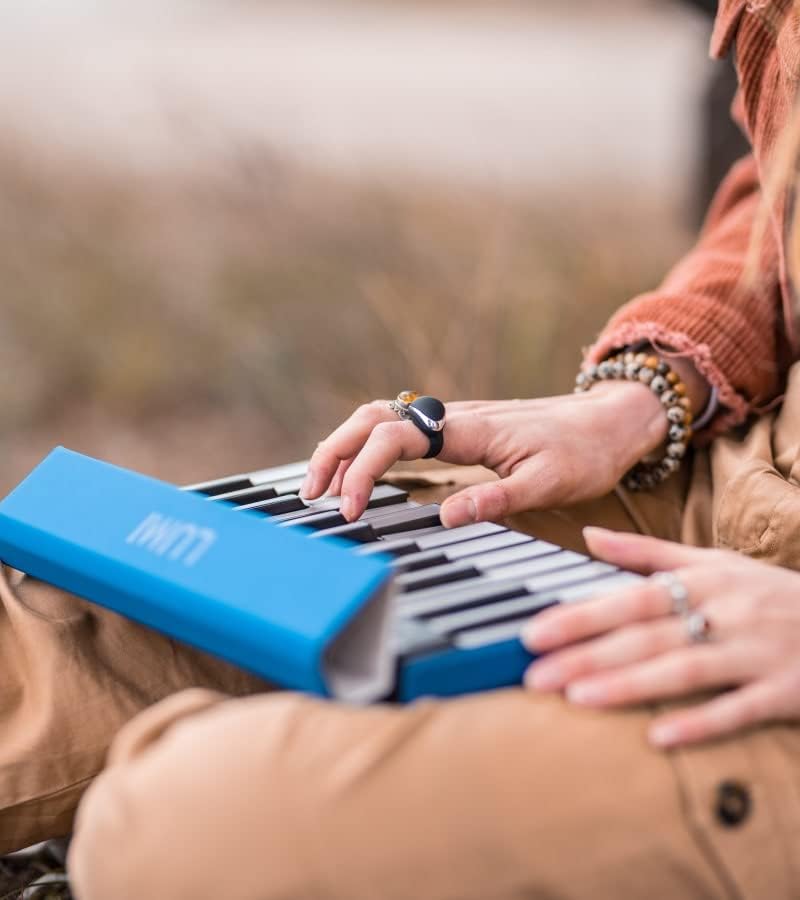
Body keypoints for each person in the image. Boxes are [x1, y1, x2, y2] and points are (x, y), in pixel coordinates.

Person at [1, 1, 799, 897]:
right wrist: (646, 389)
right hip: (735, 472)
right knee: (37, 644)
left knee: (183, 824)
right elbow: (774, 191)